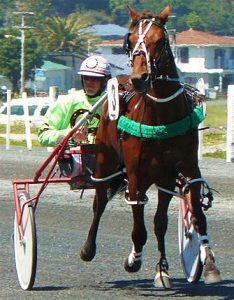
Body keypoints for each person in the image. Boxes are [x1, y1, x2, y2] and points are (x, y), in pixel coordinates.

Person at [38, 55, 111, 181]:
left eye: (95, 78)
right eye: (86, 78)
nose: (89, 82)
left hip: (106, 159)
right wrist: (70, 134)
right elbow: (43, 136)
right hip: (73, 160)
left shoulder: (113, 103)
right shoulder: (66, 102)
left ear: (105, 81)